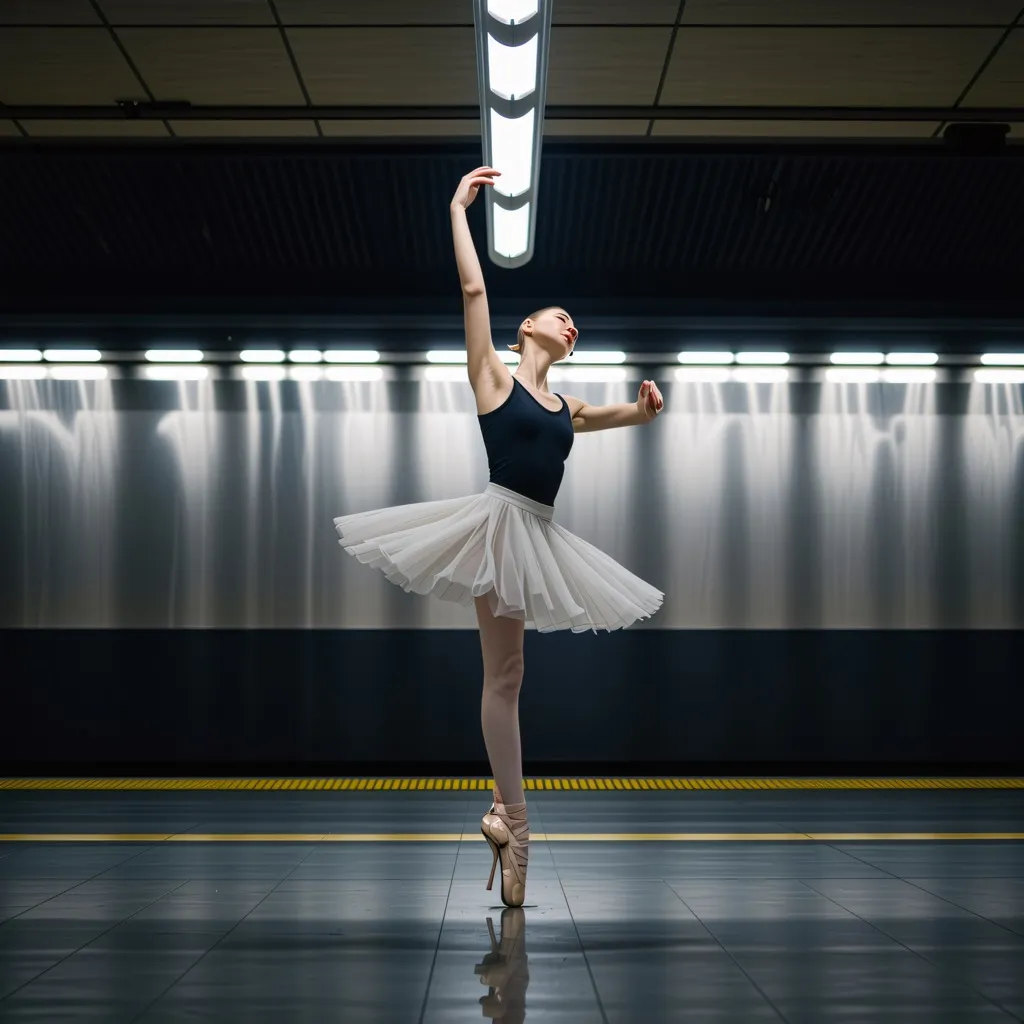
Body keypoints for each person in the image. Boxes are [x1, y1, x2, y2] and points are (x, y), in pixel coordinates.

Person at [333, 166, 664, 907]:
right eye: (559, 315)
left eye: (576, 324)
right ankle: (515, 821)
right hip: (497, 524)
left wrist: (647, 408)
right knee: (504, 677)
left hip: (538, 533)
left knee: (512, 677)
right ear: (527, 328)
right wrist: (456, 208)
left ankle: (503, 814)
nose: (570, 324)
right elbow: (474, 292)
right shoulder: (493, 376)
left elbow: (625, 418)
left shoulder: (563, 404)